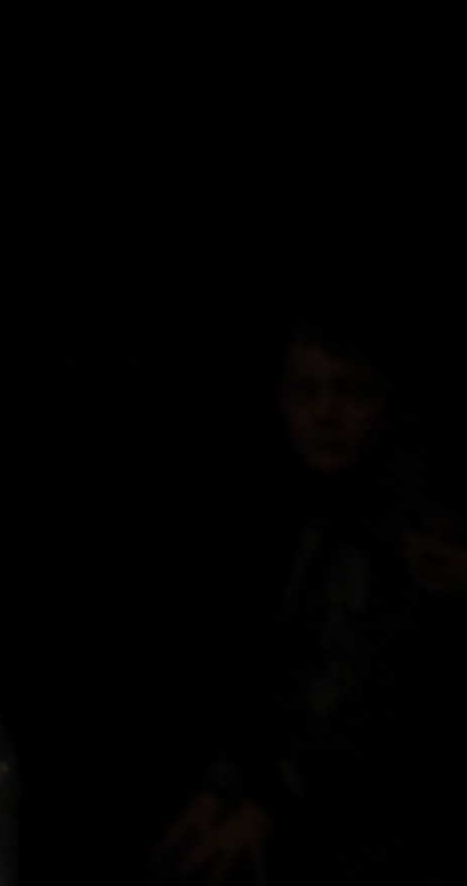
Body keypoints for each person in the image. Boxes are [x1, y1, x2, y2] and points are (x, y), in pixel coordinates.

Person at [154, 308, 467, 884]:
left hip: (389, 807)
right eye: (307, 392)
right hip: (322, 781)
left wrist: (274, 799)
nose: (326, 414)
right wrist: (227, 780)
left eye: (354, 393)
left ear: (391, 400)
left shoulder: (416, 512)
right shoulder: (315, 506)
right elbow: (293, 673)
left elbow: (399, 691)